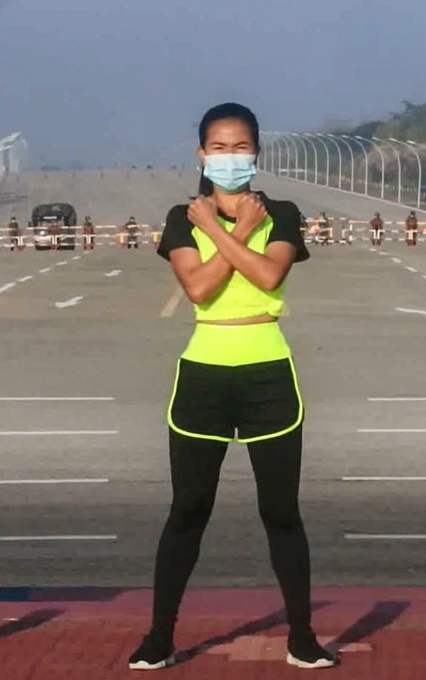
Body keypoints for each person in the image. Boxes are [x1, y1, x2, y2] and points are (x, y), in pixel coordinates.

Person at [129, 102, 336, 671]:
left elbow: (269, 275)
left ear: (256, 153)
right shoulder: (180, 217)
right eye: (218, 147)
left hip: (269, 369)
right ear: (201, 154)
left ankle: (301, 636)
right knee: (188, 511)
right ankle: (160, 637)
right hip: (203, 373)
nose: (229, 157)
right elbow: (196, 290)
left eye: (240, 146)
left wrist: (232, 230)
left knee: (281, 512)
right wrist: (229, 235)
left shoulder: (283, 214)